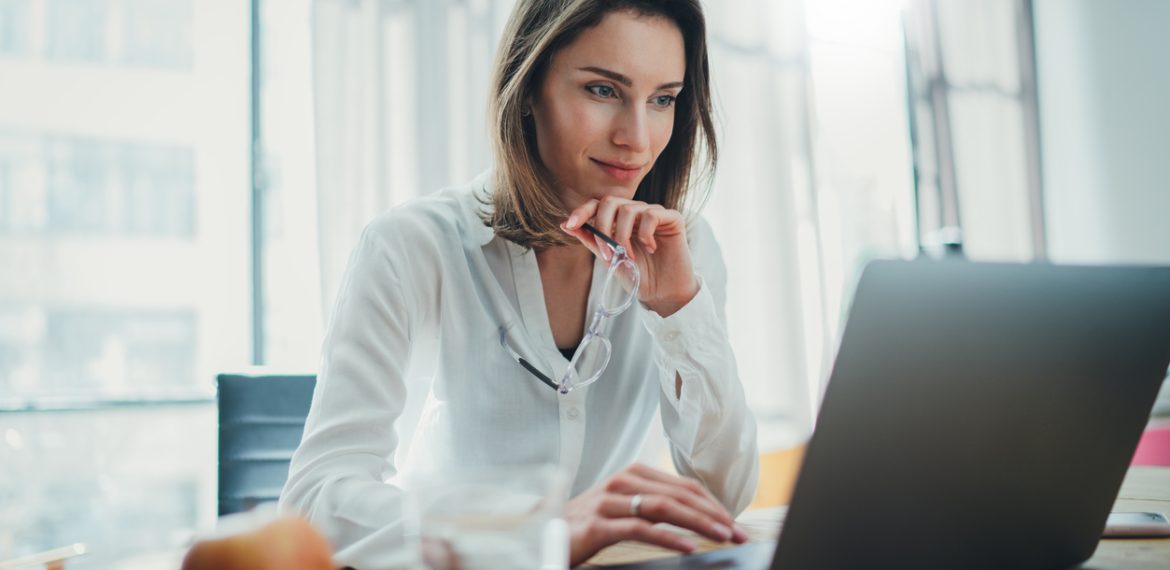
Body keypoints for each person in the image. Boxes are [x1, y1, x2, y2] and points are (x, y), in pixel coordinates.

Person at [280, 0, 760, 567]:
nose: (637, 136)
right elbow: (314, 500)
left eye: (662, 99)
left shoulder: (684, 248)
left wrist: (679, 310)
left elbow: (722, 494)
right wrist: (532, 534)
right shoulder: (410, 245)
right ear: (528, 87)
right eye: (603, 90)